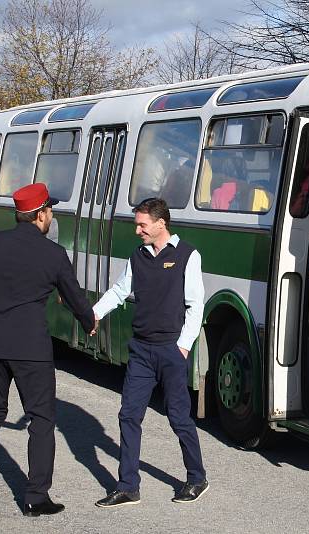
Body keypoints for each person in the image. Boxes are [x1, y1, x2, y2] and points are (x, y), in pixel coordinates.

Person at [0, 183, 95, 516]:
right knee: (41, 419)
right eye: (50, 212)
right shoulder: (53, 254)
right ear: (41, 214)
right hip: (30, 347)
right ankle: (35, 496)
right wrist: (89, 322)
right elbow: (74, 297)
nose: (51, 217)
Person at [93, 198, 208, 508]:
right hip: (141, 350)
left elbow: (195, 305)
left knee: (178, 418)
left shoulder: (187, 255)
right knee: (129, 415)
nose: (138, 231)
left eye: (142, 225)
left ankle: (197, 478)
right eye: (137, 225)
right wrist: (94, 314)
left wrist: (183, 346)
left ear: (161, 223)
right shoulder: (138, 256)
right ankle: (128, 486)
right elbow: (119, 291)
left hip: (171, 349)